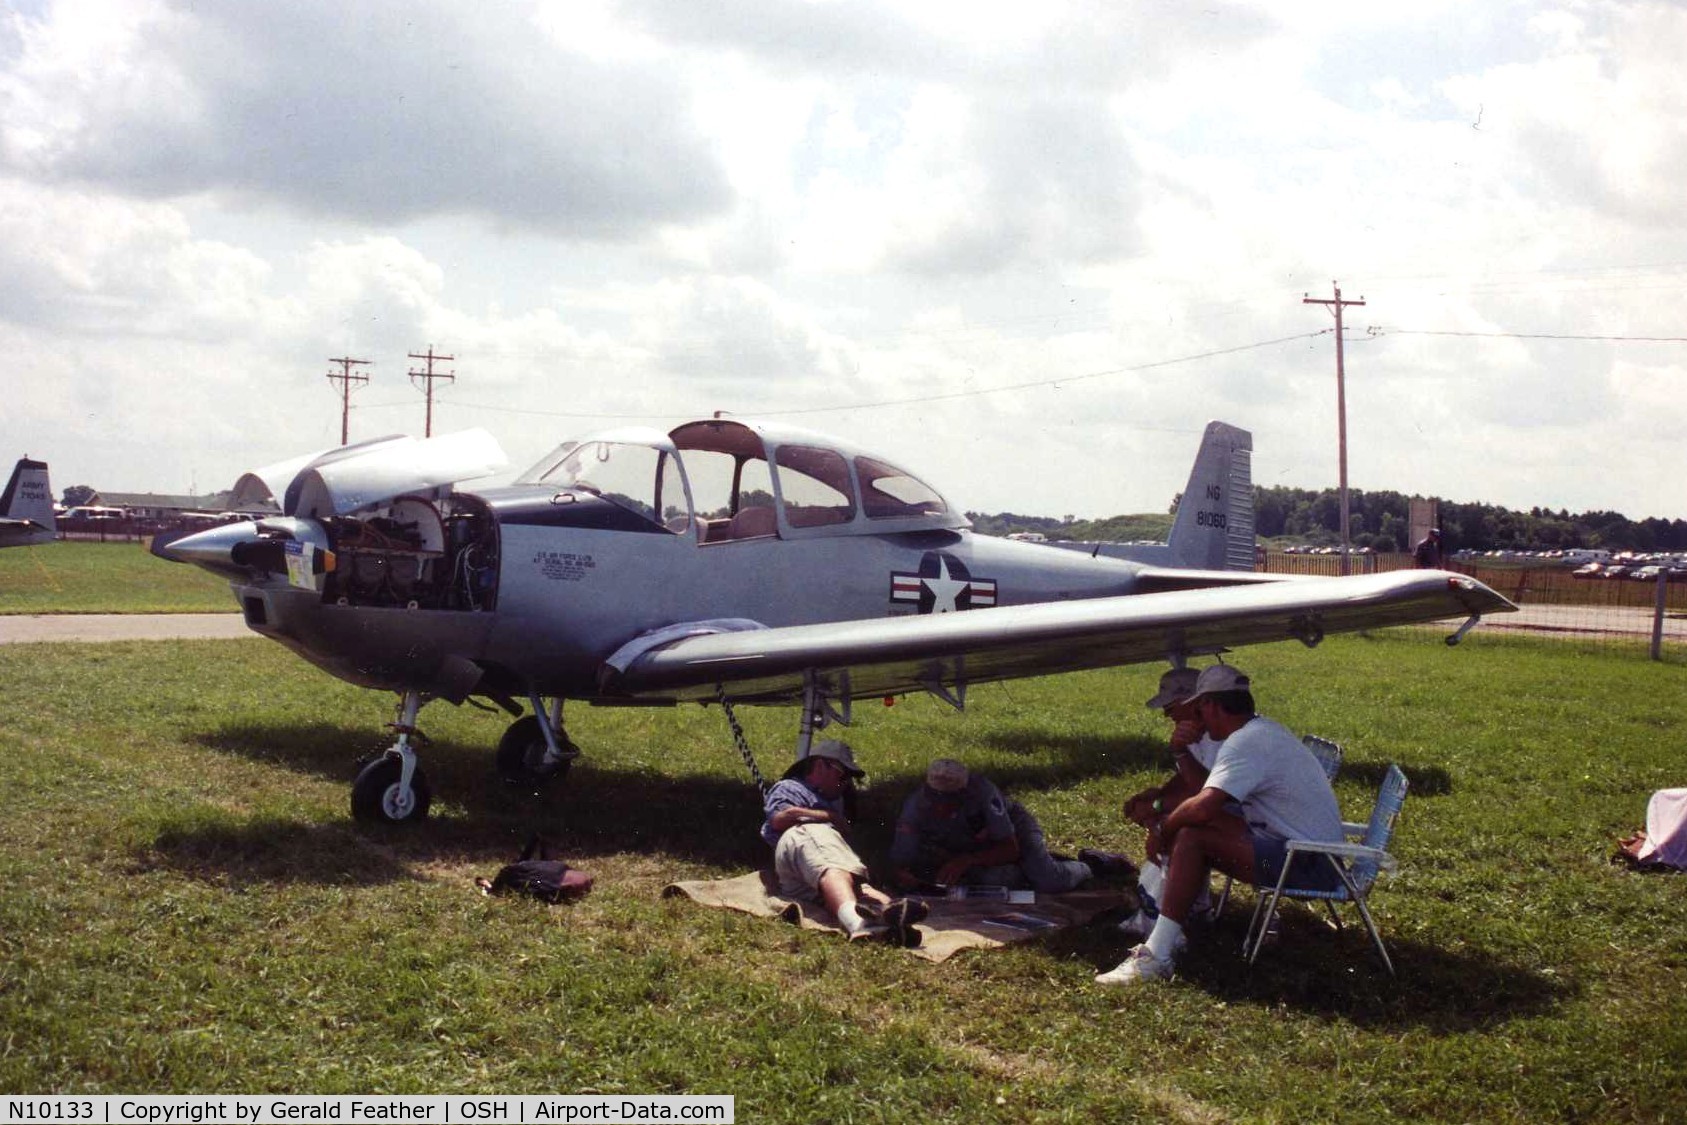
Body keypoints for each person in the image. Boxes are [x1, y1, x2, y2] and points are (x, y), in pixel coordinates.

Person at [1095, 665, 1345, 986]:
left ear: (1211, 705)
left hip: (1304, 865)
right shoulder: (1259, 732)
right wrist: (1178, 758)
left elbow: (1202, 807)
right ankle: (1175, 923)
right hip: (1298, 854)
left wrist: (1162, 829)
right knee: (1192, 830)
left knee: (1193, 837)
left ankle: (1157, 954)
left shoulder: (1247, 743)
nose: (1198, 716)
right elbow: (1207, 796)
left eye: (1200, 708)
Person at [761, 739, 925, 943]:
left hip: (815, 870)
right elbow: (779, 819)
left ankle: (894, 924)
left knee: (860, 888)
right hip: (800, 842)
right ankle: (858, 925)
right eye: (842, 774)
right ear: (819, 765)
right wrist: (830, 817)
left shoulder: (837, 800)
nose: (846, 782)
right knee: (832, 867)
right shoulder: (790, 787)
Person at [1116, 667, 1225, 938]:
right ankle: (1189, 909)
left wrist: (1157, 819)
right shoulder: (1198, 734)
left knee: (1177, 834)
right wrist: (1157, 797)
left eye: (1171, 707)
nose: (1168, 715)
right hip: (1225, 817)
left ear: (1195, 702)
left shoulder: (1223, 738)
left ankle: (1168, 927)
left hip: (1244, 826)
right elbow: (1187, 781)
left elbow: (1205, 796)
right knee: (1169, 826)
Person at [888, 759, 1095, 894]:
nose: (940, 806)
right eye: (935, 799)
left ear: (963, 794)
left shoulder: (984, 794)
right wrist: (905, 876)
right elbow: (901, 858)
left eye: (948, 800)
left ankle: (1087, 866)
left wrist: (967, 860)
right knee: (996, 882)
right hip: (972, 846)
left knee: (1050, 881)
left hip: (1014, 831)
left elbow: (1010, 848)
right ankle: (1028, 867)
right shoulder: (914, 807)